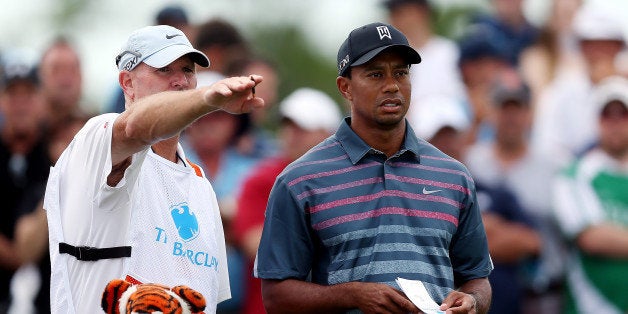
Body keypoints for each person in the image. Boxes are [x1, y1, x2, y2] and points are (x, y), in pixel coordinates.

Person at [255, 22, 492, 314]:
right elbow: (276, 296)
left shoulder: (454, 176)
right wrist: (352, 295)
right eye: (376, 74)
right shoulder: (300, 180)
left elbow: (477, 279)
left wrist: (473, 302)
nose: (392, 85)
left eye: (401, 73)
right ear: (345, 87)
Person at [43, 25, 264, 313]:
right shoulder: (96, 139)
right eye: (164, 69)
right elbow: (136, 126)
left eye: (187, 70)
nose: (180, 81)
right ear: (127, 83)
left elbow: (205, 301)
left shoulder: (200, 185)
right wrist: (208, 99)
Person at [232, 87, 343, 314]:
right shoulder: (261, 178)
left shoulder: (346, 180)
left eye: (302, 129)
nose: (290, 134)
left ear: (328, 134)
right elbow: (257, 246)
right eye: (287, 126)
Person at [464, 71, 566, 314]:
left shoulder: (555, 165)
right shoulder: (470, 161)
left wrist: (491, 231)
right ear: (491, 112)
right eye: (503, 107)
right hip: (482, 293)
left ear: (530, 113)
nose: (511, 117)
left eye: (517, 108)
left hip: (542, 294)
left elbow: (540, 240)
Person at [552, 75, 628, 313]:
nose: (615, 123)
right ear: (596, 120)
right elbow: (591, 237)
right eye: (607, 115)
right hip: (594, 305)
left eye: (622, 114)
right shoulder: (575, 174)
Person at [0, 54, 49, 313]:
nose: (20, 105)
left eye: (28, 95)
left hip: (47, 290)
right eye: (12, 95)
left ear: (41, 100)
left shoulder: (55, 153)